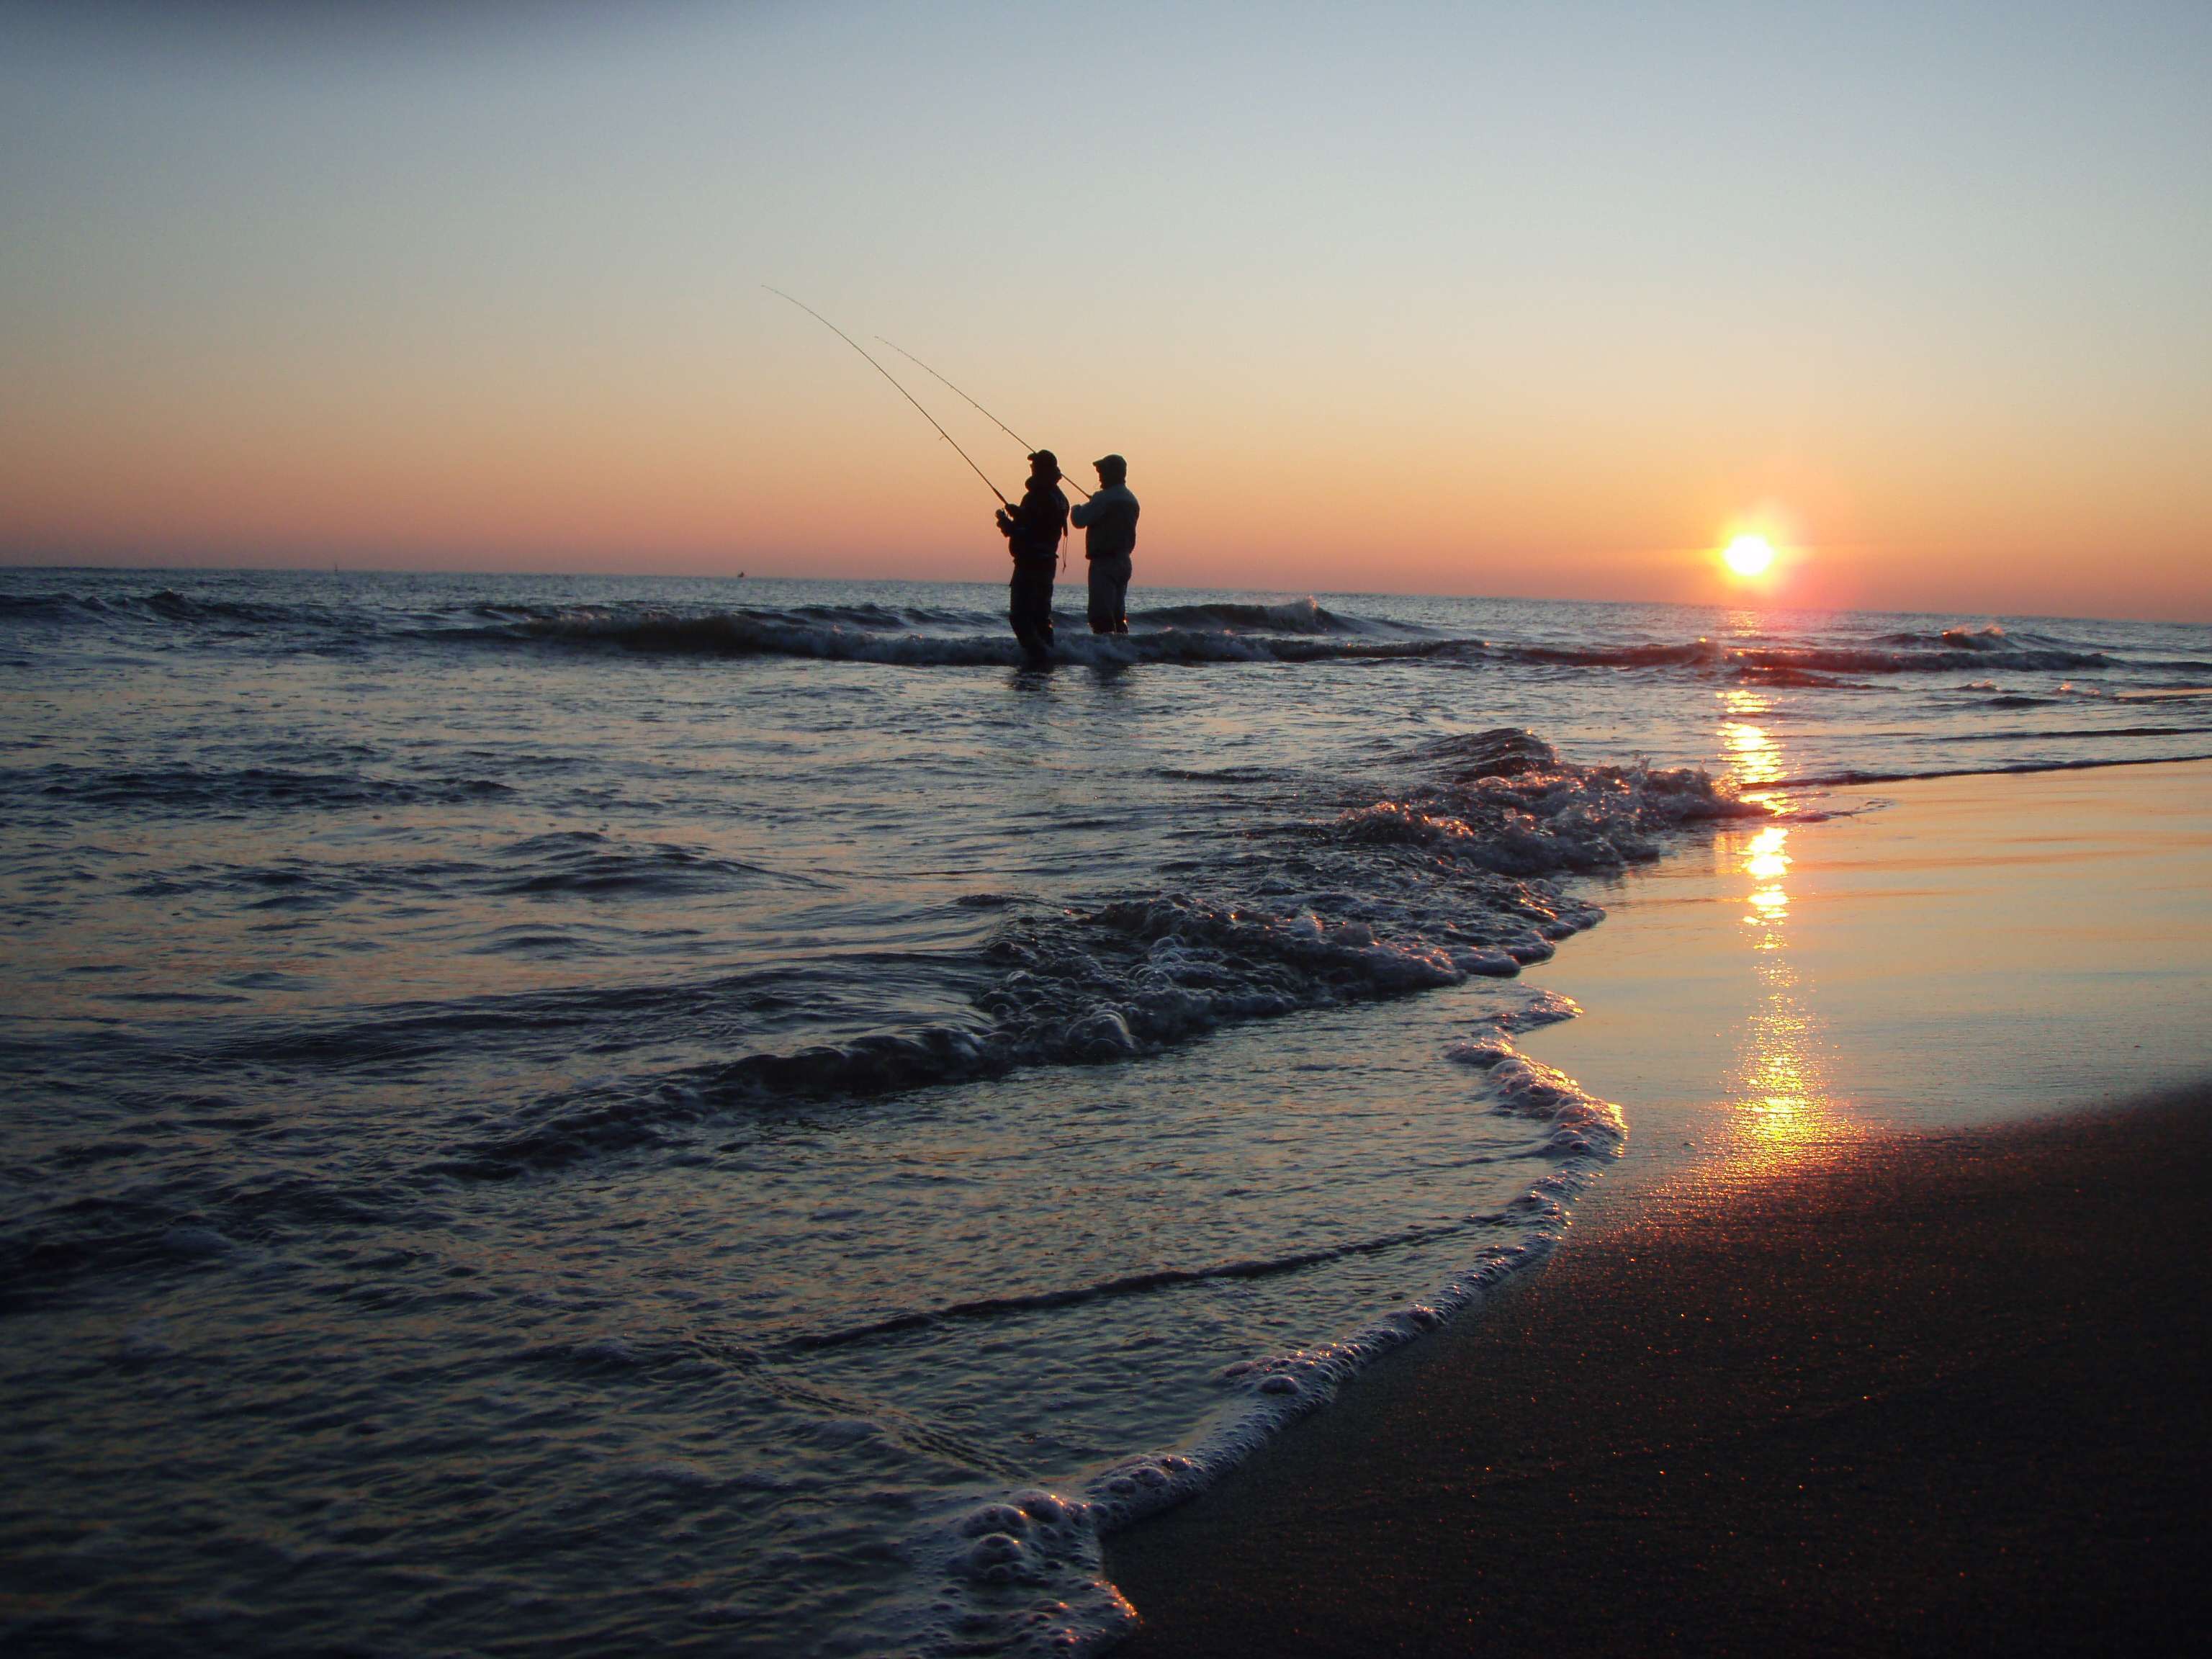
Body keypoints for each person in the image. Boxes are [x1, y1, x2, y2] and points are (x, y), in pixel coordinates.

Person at [996, 450, 1070, 662]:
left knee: (1020, 616)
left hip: (1031, 563)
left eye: (1036, 465)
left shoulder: (1038, 495)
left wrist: (1006, 524)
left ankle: (1038, 657)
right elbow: (1040, 522)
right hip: (1047, 561)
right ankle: (1047, 656)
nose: (1032, 468)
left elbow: (1030, 531)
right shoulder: (1058, 496)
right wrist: (1019, 514)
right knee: (1040, 616)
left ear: (1045, 469)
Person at [1070, 454, 1139, 634]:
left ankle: (1105, 655)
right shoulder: (1131, 499)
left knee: (1100, 614)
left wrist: (1076, 507)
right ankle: (1121, 652)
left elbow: (1079, 520)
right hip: (1124, 561)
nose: (1099, 476)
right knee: (1118, 613)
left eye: (1102, 471)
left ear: (1113, 473)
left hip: (1104, 562)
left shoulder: (1104, 498)